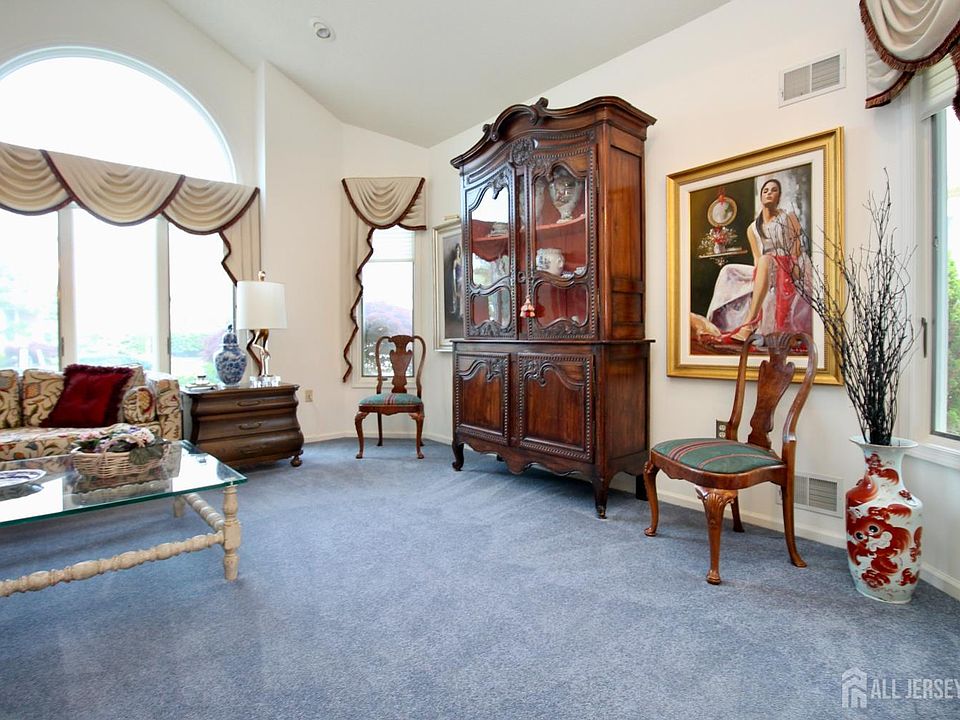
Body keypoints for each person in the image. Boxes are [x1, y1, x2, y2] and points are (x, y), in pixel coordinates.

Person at [695, 176, 811, 344]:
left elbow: (797, 249)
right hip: (766, 266)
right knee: (729, 270)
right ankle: (716, 323)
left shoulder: (789, 217)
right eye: (765, 191)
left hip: (791, 263)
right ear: (761, 196)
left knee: (766, 260)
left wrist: (789, 267)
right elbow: (757, 258)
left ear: (779, 196)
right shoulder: (752, 228)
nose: (769, 193)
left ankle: (748, 325)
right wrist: (759, 276)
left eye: (774, 190)